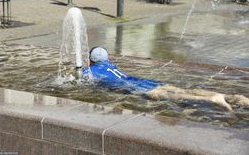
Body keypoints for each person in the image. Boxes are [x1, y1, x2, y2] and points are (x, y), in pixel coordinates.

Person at [84, 47, 249, 111]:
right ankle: (233, 97)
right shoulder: (110, 64)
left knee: (175, 96)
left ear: (91, 60)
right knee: (182, 90)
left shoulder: (91, 70)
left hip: (137, 88)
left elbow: (83, 77)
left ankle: (214, 99)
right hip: (142, 81)